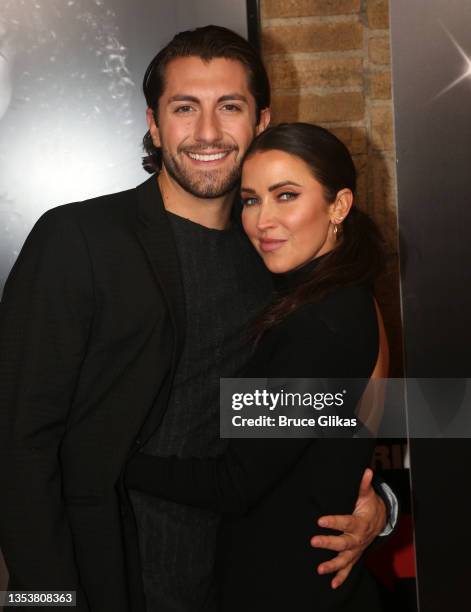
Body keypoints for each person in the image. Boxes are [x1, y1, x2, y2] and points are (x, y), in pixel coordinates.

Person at [0, 26, 395, 612]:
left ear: (261, 121)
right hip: (109, 578)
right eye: (185, 108)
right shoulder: (78, 239)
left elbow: (344, 413)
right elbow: (18, 446)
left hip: (240, 580)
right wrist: (43, 603)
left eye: (229, 107)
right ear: (155, 123)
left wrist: (381, 503)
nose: (207, 132)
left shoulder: (280, 254)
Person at [125, 122, 386, 610]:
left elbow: (235, 484)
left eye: (285, 195)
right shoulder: (330, 296)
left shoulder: (320, 323)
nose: (262, 220)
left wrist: (116, 460)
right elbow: (342, 429)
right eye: (250, 200)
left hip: (289, 588)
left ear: (340, 205)